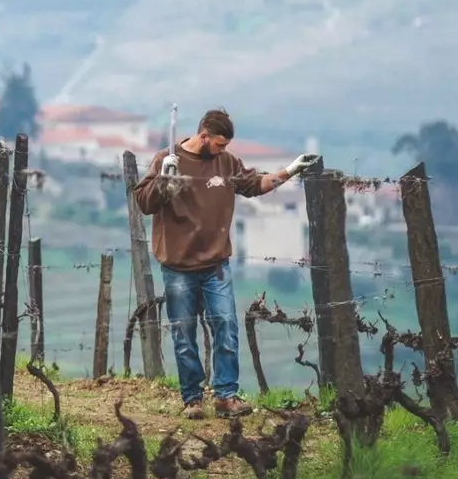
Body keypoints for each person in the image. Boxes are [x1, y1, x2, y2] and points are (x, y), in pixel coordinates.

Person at [133, 108, 319, 419]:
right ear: (203, 136)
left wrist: (290, 171)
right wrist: (164, 177)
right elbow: (144, 203)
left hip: (216, 265)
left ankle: (226, 396)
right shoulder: (167, 159)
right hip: (179, 266)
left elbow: (253, 185)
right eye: (219, 144)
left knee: (226, 327)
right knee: (184, 333)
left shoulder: (227, 162)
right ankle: (192, 400)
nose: (223, 150)